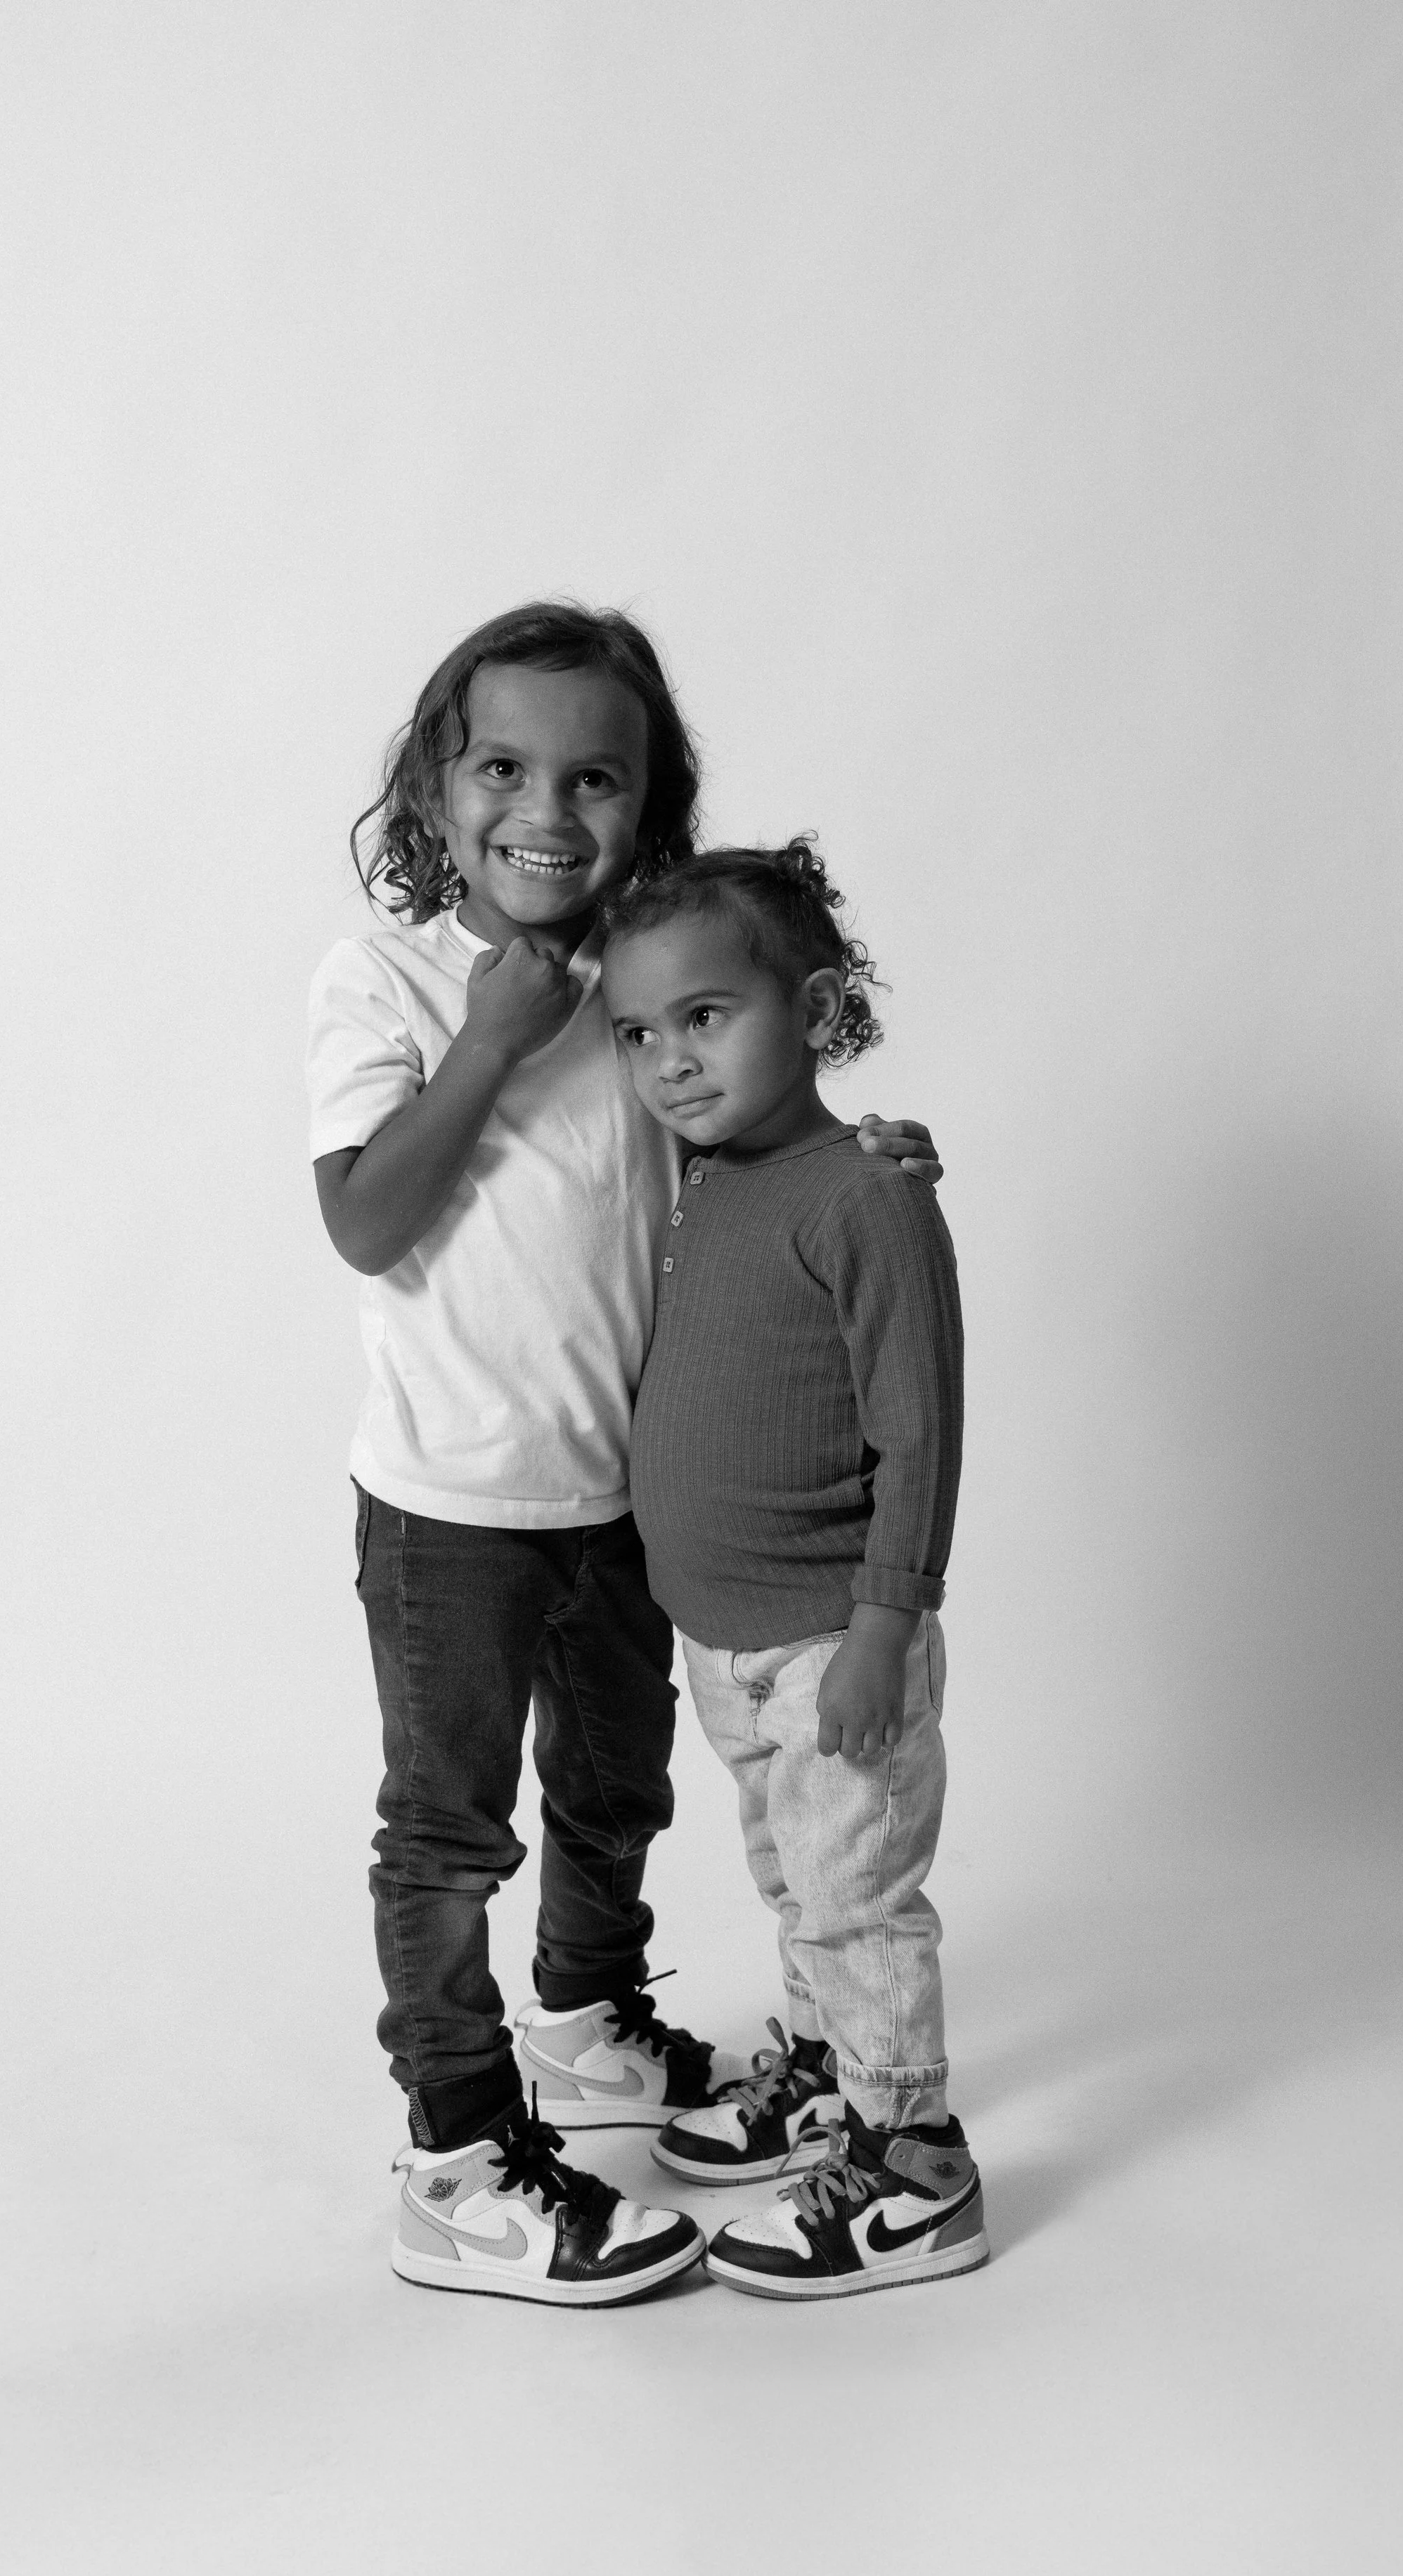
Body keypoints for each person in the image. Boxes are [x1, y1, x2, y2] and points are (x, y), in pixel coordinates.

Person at [307, 604, 943, 2304]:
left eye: (595, 776)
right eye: (501, 766)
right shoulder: (384, 980)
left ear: (647, 802)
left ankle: (589, 2025)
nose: (546, 807)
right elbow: (366, 1222)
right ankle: (454, 2150)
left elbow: (744, 1137)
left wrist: (854, 1156)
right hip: (451, 1505)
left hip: (618, 1507)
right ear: (430, 791)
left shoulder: (639, 987)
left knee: (614, 1793)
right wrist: (493, 1039)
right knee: (449, 1826)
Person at [600, 838, 990, 2300]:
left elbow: (919, 1426)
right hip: (729, 1640)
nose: (669, 1062)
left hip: (837, 1630)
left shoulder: (862, 1195)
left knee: (856, 1895)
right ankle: (830, 2071)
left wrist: (892, 1621)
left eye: (705, 1018)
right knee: (793, 1878)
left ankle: (913, 2163)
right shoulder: (705, 1176)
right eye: (638, 1033)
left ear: (815, 1010)